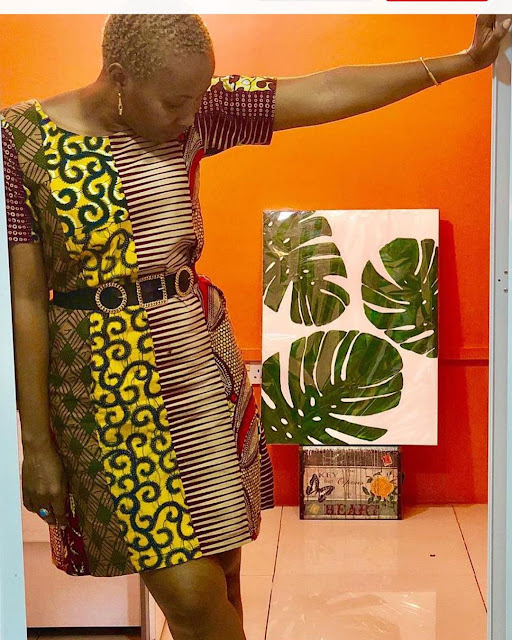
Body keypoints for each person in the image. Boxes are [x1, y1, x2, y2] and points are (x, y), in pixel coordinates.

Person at [1, 12, 509, 640]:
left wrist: (460, 63)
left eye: (197, 98)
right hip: (102, 388)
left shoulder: (195, 113)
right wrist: (36, 443)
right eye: (175, 101)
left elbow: (322, 91)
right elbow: (26, 297)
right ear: (120, 76)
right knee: (191, 596)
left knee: (223, 574)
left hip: (196, 362)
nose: (190, 115)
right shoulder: (20, 139)